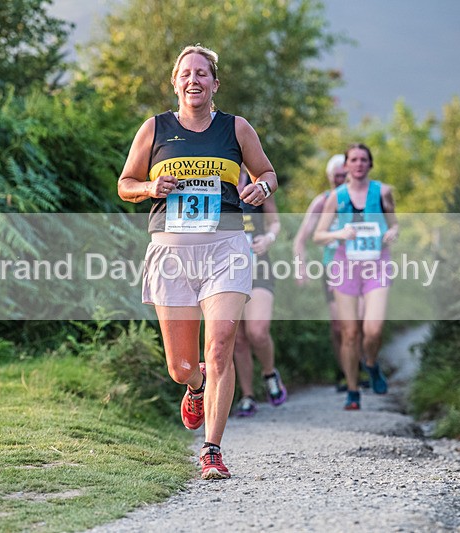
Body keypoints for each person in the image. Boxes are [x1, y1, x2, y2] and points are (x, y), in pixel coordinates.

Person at [117, 44, 278, 479]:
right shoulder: (154, 129)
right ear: (175, 82)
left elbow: (267, 173)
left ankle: (211, 450)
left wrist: (261, 189)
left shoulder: (236, 129)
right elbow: (125, 184)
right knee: (181, 366)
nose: (194, 80)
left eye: (202, 73)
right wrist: (150, 189)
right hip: (171, 252)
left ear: (214, 83)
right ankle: (194, 384)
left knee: (222, 342)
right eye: (186, 73)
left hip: (225, 246)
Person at [312, 143, 398, 410]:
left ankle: (371, 364)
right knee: (349, 332)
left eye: (364, 159)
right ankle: (352, 390)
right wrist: (339, 234)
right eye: (354, 160)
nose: (359, 164)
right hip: (344, 266)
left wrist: (393, 232)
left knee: (372, 330)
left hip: (376, 264)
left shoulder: (383, 192)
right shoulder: (336, 198)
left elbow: (394, 224)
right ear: (346, 165)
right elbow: (318, 235)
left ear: (370, 164)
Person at [232, 165, 286, 417]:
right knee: (239, 339)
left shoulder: (259, 183)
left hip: (259, 267)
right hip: (227, 270)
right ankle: (247, 395)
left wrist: (268, 239)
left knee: (257, 331)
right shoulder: (215, 181)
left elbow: (274, 222)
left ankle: (269, 373)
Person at [292, 154, 348, 389]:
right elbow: (300, 239)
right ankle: (345, 371)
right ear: (329, 177)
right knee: (338, 325)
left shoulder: (364, 199)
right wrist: (299, 267)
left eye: (344, 175)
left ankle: (363, 364)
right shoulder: (322, 202)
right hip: (333, 267)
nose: (340, 180)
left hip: (363, 268)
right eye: (336, 176)